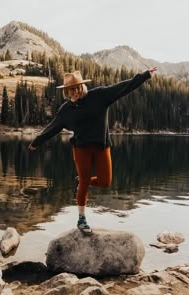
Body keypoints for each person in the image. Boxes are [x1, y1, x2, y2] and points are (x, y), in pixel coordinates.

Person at [28, 67, 157, 235]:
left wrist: (144, 76)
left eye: (76, 88)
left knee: (105, 182)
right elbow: (52, 128)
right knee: (84, 181)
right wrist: (36, 143)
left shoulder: (99, 96)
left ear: (82, 87)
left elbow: (123, 87)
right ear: (66, 91)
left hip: (102, 145)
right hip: (81, 149)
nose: (74, 92)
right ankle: (81, 219)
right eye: (70, 90)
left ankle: (81, 181)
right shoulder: (66, 110)